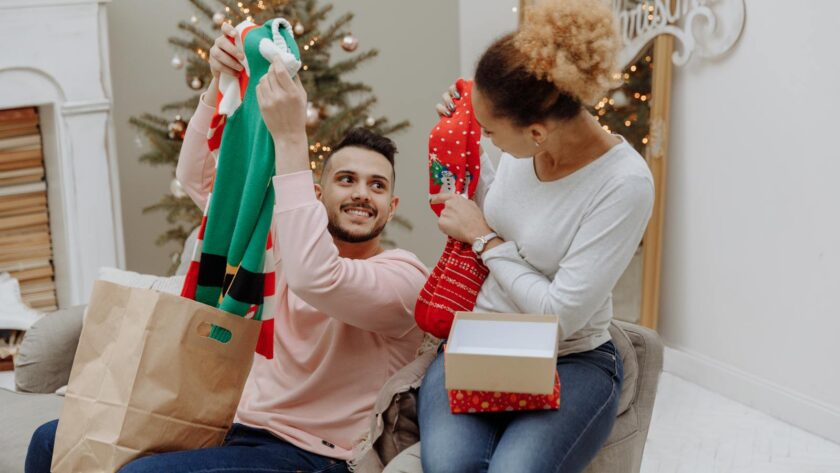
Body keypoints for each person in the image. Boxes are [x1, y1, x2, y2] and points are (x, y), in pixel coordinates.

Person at [26, 22, 428, 473]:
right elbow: (200, 181)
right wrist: (219, 87)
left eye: (377, 186)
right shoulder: (279, 241)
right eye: (346, 180)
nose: (361, 194)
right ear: (317, 194)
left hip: (312, 454)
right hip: (230, 426)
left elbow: (319, 278)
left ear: (391, 208)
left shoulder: (404, 277)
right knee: (49, 440)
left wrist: (292, 138)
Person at [417, 0, 654, 471]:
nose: (486, 138)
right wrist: (461, 125)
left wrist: (484, 239)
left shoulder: (623, 185)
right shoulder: (521, 148)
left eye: (489, 130)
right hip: (478, 338)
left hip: (570, 358)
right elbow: (493, 203)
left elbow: (558, 317)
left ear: (539, 133)